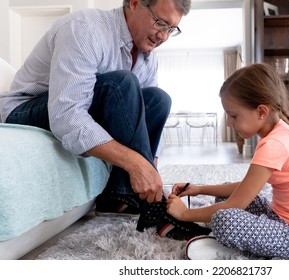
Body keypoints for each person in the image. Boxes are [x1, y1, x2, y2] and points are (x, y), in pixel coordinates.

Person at [0, 0, 210, 240]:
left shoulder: (147, 57)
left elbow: (144, 115)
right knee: (123, 83)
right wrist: (136, 165)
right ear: (134, 3)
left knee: (158, 99)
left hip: (76, 107)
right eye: (160, 23)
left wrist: (152, 173)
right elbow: (67, 116)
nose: (163, 36)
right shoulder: (85, 29)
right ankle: (155, 211)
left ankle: (118, 195)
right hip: (24, 109)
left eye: (171, 29)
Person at [167, 63, 289, 259]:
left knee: (223, 219)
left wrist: (184, 214)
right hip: (287, 221)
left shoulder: (274, 144)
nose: (228, 122)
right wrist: (200, 189)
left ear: (261, 112)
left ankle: (236, 249)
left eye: (233, 115)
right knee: (225, 197)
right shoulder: (281, 132)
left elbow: (236, 204)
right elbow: (246, 188)